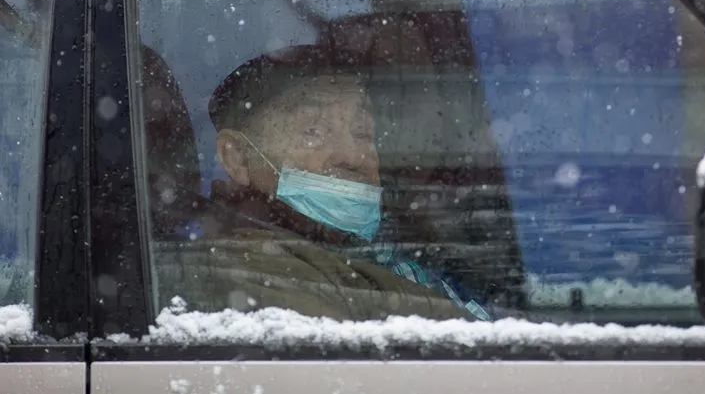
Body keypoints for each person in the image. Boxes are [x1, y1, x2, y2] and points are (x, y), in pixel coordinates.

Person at [154, 43, 490, 321]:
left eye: (363, 132)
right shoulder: (250, 271)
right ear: (238, 158)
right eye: (313, 131)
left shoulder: (392, 249)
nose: (353, 157)